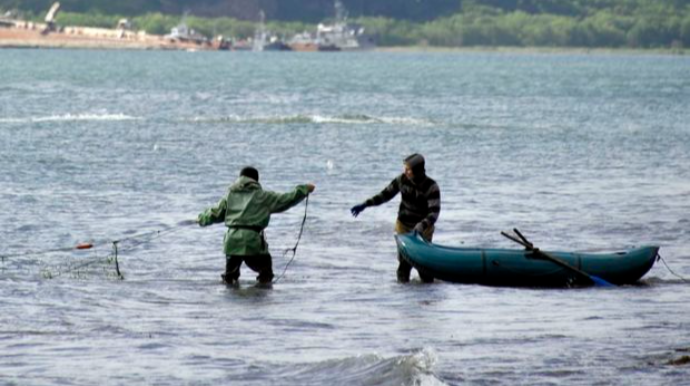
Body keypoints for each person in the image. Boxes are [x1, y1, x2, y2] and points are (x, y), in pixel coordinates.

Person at [198, 166, 315, 285]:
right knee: (266, 273)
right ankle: (260, 297)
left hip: (231, 240)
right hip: (251, 241)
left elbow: (215, 213)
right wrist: (304, 189)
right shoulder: (263, 196)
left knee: (229, 278)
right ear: (256, 180)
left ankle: (229, 301)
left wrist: (201, 219)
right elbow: (285, 200)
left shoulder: (230, 195)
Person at [350, 154, 440, 283]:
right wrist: (365, 204)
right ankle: (402, 298)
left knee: (424, 267)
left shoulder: (432, 187)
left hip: (424, 229)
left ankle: (426, 295)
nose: (405, 172)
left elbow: (434, 214)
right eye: (405, 168)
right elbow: (385, 195)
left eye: (408, 169)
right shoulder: (401, 180)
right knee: (404, 264)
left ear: (418, 170)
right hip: (403, 226)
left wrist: (421, 226)